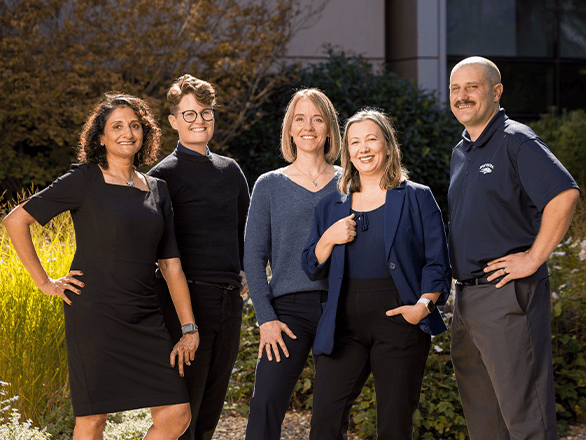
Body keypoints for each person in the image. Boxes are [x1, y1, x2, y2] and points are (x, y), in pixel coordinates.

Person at [2, 93, 199, 439]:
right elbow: (16, 221)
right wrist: (45, 281)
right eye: (117, 126)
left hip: (144, 315)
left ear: (145, 133)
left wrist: (188, 327)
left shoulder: (158, 190)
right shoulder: (86, 180)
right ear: (101, 137)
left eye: (135, 125)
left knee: (176, 413)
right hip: (94, 316)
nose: (128, 133)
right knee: (93, 419)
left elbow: (170, 267)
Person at [448, 56, 581, 440]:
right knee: (485, 420)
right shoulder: (462, 151)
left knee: (528, 419)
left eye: (472, 87)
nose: (462, 96)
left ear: (496, 91)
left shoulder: (515, 140)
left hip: (507, 295)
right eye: (456, 89)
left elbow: (564, 195)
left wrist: (534, 257)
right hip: (467, 299)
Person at [302, 108, 452, 439]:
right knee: (325, 421)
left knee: (394, 424)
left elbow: (438, 262)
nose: (363, 148)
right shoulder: (331, 207)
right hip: (343, 325)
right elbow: (311, 267)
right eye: (355, 142)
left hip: (400, 322)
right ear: (347, 152)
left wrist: (423, 307)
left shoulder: (417, 197)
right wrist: (328, 238)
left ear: (387, 145)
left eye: (372, 139)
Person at [147, 74, 250, 440]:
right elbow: (153, 250)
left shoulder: (230, 171)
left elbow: (245, 232)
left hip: (228, 302)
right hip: (183, 303)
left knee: (210, 410)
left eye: (205, 112)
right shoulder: (161, 177)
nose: (199, 121)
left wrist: (248, 273)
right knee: (181, 413)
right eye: (189, 114)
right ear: (173, 121)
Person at [243, 88, 342, 440]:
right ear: (289, 130)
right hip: (288, 311)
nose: (308, 126)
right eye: (300, 118)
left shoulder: (350, 181)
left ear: (330, 129)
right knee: (266, 404)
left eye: (318, 119)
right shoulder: (269, 185)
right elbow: (253, 257)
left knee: (331, 414)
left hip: (339, 306)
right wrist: (266, 318)